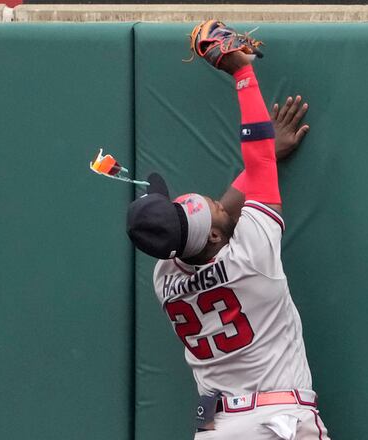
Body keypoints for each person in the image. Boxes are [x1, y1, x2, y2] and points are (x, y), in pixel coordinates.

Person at [126, 20, 331, 440]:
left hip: (216, 426)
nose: (221, 203)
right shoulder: (252, 255)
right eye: (217, 209)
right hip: (275, 423)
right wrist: (242, 73)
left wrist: (264, 162)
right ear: (217, 237)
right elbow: (255, 167)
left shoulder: (164, 275)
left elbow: (217, 215)